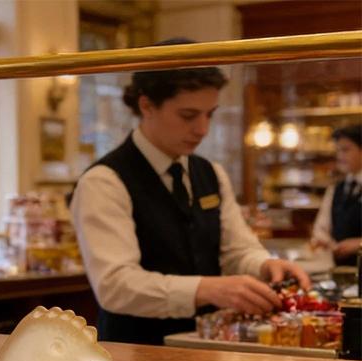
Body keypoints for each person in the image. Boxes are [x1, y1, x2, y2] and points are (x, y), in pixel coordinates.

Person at [71, 41, 311, 345]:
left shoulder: (211, 173)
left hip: (207, 345)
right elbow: (116, 286)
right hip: (135, 353)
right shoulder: (104, 181)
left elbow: (237, 249)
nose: (203, 129)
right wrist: (207, 290)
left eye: (209, 114)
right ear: (146, 106)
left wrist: (264, 265)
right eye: (188, 115)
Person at [311, 124, 362, 266]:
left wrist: (359, 244)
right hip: (340, 271)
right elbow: (320, 229)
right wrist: (327, 243)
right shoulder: (335, 188)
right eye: (338, 150)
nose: (340, 156)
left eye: (346, 150)